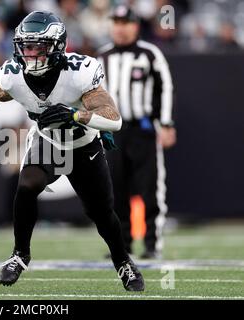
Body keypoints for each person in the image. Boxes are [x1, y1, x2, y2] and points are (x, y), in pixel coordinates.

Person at [0, 11, 145, 291]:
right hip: (48, 143)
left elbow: (114, 118)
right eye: (26, 47)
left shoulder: (78, 72)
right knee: (27, 185)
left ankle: (123, 262)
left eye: (38, 47)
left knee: (102, 214)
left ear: (57, 46)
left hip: (83, 145)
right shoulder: (14, 76)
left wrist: (75, 115)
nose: (31, 54)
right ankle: (19, 255)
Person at [97, 6, 176, 259]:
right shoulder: (102, 56)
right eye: (116, 22)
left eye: (125, 22)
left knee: (150, 189)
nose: (120, 27)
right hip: (113, 132)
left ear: (135, 26)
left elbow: (166, 88)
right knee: (115, 191)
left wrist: (166, 123)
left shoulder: (149, 54)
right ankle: (123, 244)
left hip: (143, 129)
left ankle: (153, 244)